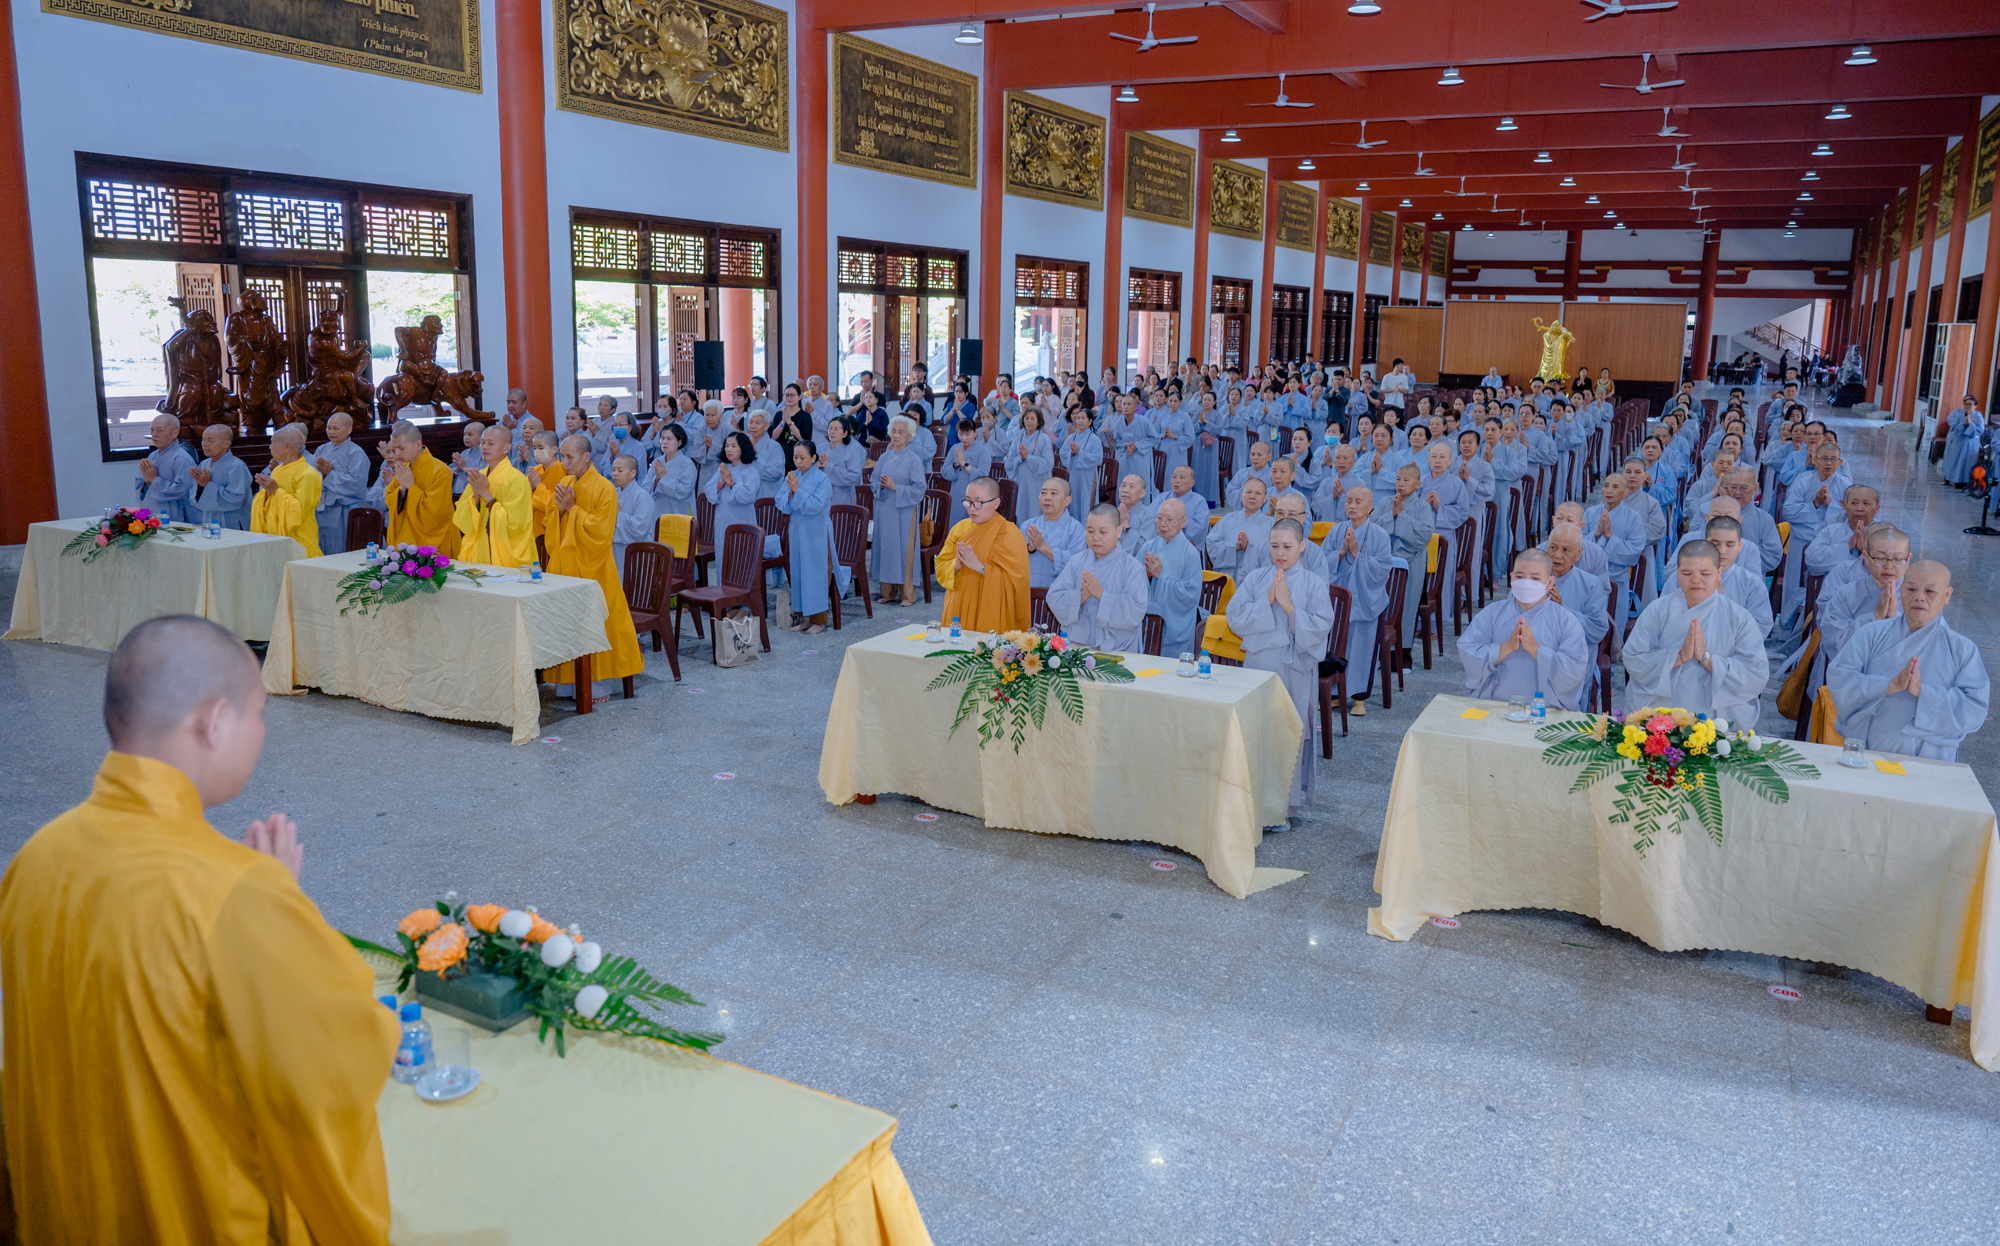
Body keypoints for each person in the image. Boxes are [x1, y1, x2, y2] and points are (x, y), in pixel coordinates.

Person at [0, 615, 399, 1241]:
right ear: (215, 723)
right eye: (258, 713)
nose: (262, 733)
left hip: (65, 1211)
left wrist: (265, 906)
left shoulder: (35, 858)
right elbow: (335, 1061)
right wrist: (283, 912)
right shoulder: (235, 892)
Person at [1226, 519, 1333, 819]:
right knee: (1256, 731)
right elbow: (1234, 617)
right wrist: (1267, 601)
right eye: (1274, 546)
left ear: (1302, 546)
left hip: (1293, 672)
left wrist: (1288, 606)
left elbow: (1321, 626)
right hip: (1258, 669)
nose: (1280, 553)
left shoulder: (1313, 584)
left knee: (1286, 733)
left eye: (1287, 546)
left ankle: (1283, 808)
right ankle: (1251, 800)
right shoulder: (1256, 579)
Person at [1829, 561, 1989, 760]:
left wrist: (1923, 692)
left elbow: (1974, 710)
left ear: (1947, 595)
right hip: (1868, 754)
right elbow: (1839, 681)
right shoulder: (1871, 633)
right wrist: (1888, 685)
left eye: (1930, 591)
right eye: (1911, 589)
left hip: (1932, 762)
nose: (1919, 597)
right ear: (1902, 590)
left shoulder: (1962, 649)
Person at [1621, 541, 1770, 727]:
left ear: (1719, 574)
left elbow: (1756, 673)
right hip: (1661, 705)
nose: (1696, 580)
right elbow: (1633, 659)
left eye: (1705, 574)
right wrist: (1678, 657)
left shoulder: (1739, 617)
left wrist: (1707, 659)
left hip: (1717, 712)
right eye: (1686, 573)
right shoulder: (1657, 610)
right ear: (1677, 573)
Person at [545, 437, 645, 694]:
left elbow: (601, 531)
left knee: (597, 624)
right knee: (568, 623)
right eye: (562, 457)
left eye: (569, 457)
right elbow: (551, 521)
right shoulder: (566, 483)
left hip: (595, 566)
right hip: (566, 565)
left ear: (586, 456)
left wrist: (572, 509)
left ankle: (599, 686)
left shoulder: (605, 488)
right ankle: (568, 685)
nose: (564, 462)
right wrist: (561, 510)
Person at [1457, 547, 1590, 710]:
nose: (1526, 583)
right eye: (1520, 576)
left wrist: (1536, 650)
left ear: (1550, 583)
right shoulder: (1492, 613)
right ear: (1511, 578)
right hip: (1493, 703)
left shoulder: (1566, 621)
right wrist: (1505, 648)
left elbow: (1574, 669)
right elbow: (1468, 650)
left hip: (1544, 710)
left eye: (1535, 578)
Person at [1321, 487, 1393, 714]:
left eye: (1358, 501)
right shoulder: (1336, 530)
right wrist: (1341, 553)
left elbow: (1383, 568)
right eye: (1349, 501)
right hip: (1338, 604)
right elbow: (1321, 561)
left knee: (1363, 648)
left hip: (1367, 602)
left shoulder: (1380, 535)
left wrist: (1356, 554)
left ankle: (1359, 698)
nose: (1352, 505)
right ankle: (1335, 693)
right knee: (1335, 645)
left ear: (1370, 507)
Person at [931, 475, 1032, 634]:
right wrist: (956, 565)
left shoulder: (1010, 534)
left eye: (978, 502)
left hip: (991, 611)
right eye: (968, 501)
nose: (972, 508)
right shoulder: (960, 529)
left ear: (996, 503)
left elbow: (1018, 584)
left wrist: (980, 567)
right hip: (958, 608)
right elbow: (941, 567)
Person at [1048, 504, 1147, 650]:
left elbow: (1136, 612)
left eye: (1103, 532)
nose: (1095, 538)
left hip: (1118, 648)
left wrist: (1101, 595)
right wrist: (1082, 596)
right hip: (1078, 645)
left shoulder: (1132, 567)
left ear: (1118, 531)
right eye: (1090, 531)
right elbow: (1053, 597)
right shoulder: (1076, 561)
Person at [1815, 524, 1910, 664]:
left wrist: (1895, 619)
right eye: (1880, 558)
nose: (1889, 566)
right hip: (1850, 673)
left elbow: (1930, 644)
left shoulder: (1919, 596)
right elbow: (1833, 639)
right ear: (1866, 557)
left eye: (1898, 559)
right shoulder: (1846, 594)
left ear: (1908, 559)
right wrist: (1874, 617)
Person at [775, 439, 836, 633]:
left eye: (803, 457)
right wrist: (790, 495)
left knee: (815, 574)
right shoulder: (792, 476)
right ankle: (805, 618)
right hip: (797, 531)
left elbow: (816, 506)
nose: (798, 461)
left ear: (813, 458)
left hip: (816, 533)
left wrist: (797, 491)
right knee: (799, 573)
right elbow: (780, 502)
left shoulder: (821, 479)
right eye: (795, 457)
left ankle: (819, 621)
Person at [868, 416, 930, 606]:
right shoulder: (884, 457)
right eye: (893, 431)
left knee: (904, 552)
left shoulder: (913, 459)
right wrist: (881, 486)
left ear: (909, 435)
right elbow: (873, 481)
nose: (896, 435)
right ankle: (888, 592)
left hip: (904, 511)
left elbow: (919, 489)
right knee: (886, 550)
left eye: (900, 432)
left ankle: (908, 595)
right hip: (885, 509)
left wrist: (896, 487)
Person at [453, 423, 535, 566]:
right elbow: (461, 520)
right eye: (483, 443)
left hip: (506, 554)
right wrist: (476, 497)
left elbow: (515, 526)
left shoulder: (517, 479)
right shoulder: (479, 477)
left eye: (491, 443)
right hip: (479, 550)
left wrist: (486, 494)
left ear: (506, 448)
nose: (484, 447)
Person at [379, 419, 458, 553]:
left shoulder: (440, 470)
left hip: (433, 541)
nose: (397, 454)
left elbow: (435, 514)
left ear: (418, 444)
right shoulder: (404, 468)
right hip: (406, 536)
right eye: (394, 449)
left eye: (401, 448)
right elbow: (390, 499)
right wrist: (402, 489)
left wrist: (411, 486)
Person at [1139, 497, 1203, 655]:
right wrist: (1146, 576)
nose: (1162, 524)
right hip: (1148, 623)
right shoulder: (1148, 547)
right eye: (1159, 518)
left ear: (1183, 522)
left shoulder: (1190, 554)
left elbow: (1190, 596)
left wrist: (1160, 576)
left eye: (1170, 520)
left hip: (1177, 626)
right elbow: (1132, 581)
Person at [249, 424, 324, 557]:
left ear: (287, 446)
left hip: (299, 539)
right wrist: (266, 492)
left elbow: (299, 511)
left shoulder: (308, 474)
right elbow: (270, 503)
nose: (270, 447)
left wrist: (275, 490)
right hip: (274, 536)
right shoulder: (278, 470)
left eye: (272, 443)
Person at [1702, 512, 1775, 638]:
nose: (1722, 551)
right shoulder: (1684, 578)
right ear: (1705, 542)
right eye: (1715, 544)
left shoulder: (1752, 583)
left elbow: (1761, 628)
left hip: (1735, 647)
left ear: (1740, 546)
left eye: (1730, 545)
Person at [311, 412, 370, 553]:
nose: (331, 432)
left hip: (345, 510)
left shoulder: (356, 452)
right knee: (323, 547)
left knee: (343, 548)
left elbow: (357, 484)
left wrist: (330, 474)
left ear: (349, 429)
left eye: (336, 428)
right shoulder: (322, 449)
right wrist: (320, 474)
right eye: (328, 428)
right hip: (322, 509)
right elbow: (311, 474)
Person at [1022, 477, 1085, 589]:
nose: (1047, 497)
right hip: (1028, 590)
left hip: (1060, 593)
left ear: (1067, 501)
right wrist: (1029, 549)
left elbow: (1077, 564)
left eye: (1053, 493)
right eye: (1043, 493)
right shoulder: (1028, 525)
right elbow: (1014, 559)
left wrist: (1043, 547)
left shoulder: (1076, 528)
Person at [134, 413, 197, 524]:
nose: (154, 434)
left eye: (160, 430)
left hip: (173, 514)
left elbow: (184, 490)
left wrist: (154, 480)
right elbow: (141, 486)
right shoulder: (152, 456)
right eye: (152, 430)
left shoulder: (181, 458)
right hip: (151, 511)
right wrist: (146, 481)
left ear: (174, 433)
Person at [190, 423, 253, 531]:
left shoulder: (236, 465)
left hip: (233, 521)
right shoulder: (204, 464)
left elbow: (237, 499)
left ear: (226, 443)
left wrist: (208, 485)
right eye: (203, 440)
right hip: (210, 520)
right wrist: (201, 487)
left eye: (210, 440)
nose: (205, 444)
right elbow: (195, 498)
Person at [1207, 477, 1273, 580]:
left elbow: (1274, 554)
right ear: (1241, 495)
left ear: (1265, 498)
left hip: (1256, 580)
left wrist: (1249, 547)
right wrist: (1234, 546)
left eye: (1258, 493)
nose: (1252, 497)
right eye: (1248, 492)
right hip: (1226, 579)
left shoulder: (1271, 524)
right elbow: (1211, 544)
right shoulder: (1227, 519)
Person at [608, 453, 657, 575]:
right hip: (614, 551)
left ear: (633, 473)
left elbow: (640, 529)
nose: (615, 474)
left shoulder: (643, 496)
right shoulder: (612, 493)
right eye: (613, 470)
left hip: (637, 554)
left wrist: (619, 514)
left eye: (620, 470)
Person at [1058, 408, 1105, 523]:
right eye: (1078, 418)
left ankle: (1086, 527)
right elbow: (1062, 453)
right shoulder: (1071, 437)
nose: (1079, 421)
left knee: (1086, 502)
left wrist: (1080, 452)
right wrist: (1071, 453)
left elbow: (1098, 458)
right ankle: (1074, 528)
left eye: (1083, 418)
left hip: (1088, 476)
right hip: (1074, 476)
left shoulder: (1094, 439)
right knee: (1074, 502)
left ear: (1090, 421)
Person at [943, 417, 993, 523]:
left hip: (975, 496)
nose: (964, 438)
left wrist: (964, 464)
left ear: (975, 432)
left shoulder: (983, 451)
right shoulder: (955, 449)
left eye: (967, 434)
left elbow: (983, 476)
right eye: (960, 434)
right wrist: (956, 464)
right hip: (956, 494)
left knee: (972, 525)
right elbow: (944, 472)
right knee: (955, 525)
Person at [647, 422, 698, 518]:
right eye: (662, 438)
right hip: (659, 512)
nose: (664, 442)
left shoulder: (687, 463)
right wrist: (656, 480)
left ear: (679, 442)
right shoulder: (656, 462)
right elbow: (645, 487)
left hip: (680, 513)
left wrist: (664, 477)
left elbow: (686, 491)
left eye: (669, 439)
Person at [527, 429, 569, 542]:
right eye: (535, 448)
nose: (537, 451)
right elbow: (525, 503)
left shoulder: (564, 471)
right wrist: (531, 489)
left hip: (553, 529)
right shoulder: (535, 470)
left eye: (541, 448)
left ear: (554, 449)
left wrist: (538, 485)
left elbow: (555, 505)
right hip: (533, 527)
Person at [1158, 465, 1211, 549]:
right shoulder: (1162, 497)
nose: (1177, 481)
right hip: (1160, 543)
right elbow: (1150, 519)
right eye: (1174, 477)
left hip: (1186, 547)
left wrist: (1176, 528)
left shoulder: (1199, 501)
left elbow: (1199, 528)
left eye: (1182, 478)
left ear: (1192, 483)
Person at [1940, 395, 1986, 487]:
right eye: (1966, 404)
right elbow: (1953, 428)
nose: (1968, 406)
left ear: (1975, 406)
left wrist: (1970, 425)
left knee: (1967, 462)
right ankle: (1951, 479)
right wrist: (1963, 424)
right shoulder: (1958, 414)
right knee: (1954, 461)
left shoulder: (1978, 416)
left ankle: (1964, 481)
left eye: (1970, 404)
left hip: (1970, 443)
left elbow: (1980, 430)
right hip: (1958, 441)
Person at [821, 415, 865, 507]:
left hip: (842, 497)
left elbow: (855, 477)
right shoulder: (820, 448)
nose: (832, 431)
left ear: (845, 433)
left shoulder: (851, 452)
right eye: (830, 428)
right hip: (821, 495)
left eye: (836, 429)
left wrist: (829, 467)